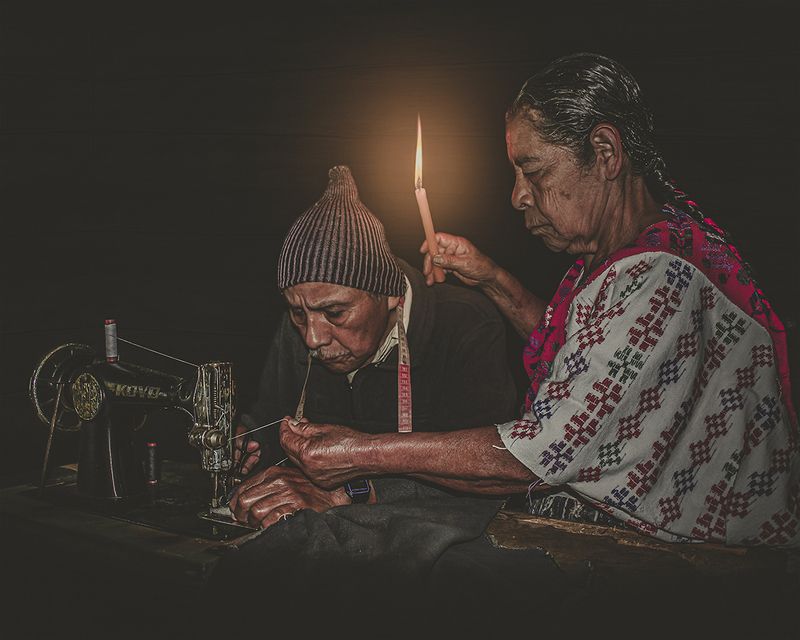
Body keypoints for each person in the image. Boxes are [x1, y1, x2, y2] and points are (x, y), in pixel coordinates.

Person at [269, 53, 799, 546]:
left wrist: (358, 454)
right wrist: (491, 277)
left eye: (534, 171)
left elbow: (536, 453)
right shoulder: (636, 253)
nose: (518, 195)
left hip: (705, 560)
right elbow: (585, 357)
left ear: (606, 152)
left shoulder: (663, 277)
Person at [229, 165, 518, 529]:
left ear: (391, 295)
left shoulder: (465, 326)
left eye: (335, 312)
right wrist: (252, 443)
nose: (312, 338)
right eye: (298, 312)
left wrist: (354, 493)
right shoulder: (298, 327)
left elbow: (489, 476)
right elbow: (271, 415)